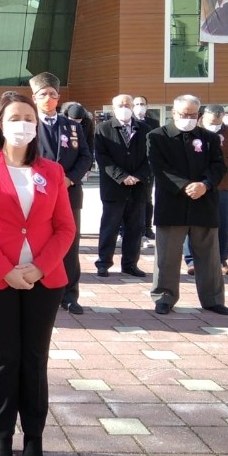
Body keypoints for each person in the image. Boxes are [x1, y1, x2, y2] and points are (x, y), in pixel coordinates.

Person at [0, 91, 76, 456]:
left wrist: (40, 267)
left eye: (29, 118)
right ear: (0, 123)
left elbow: (65, 228)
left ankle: (33, 439)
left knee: (34, 359)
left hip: (45, 281)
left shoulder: (53, 172)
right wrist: (6, 270)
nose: (23, 125)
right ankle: (1, 437)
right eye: (15, 118)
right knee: (4, 359)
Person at [147, 95, 228, 316]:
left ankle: (213, 299)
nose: (188, 118)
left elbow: (219, 166)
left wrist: (205, 184)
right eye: (184, 114)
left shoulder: (210, 139)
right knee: (167, 255)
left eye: (193, 115)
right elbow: (159, 168)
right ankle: (164, 296)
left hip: (204, 202)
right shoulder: (157, 137)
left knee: (209, 256)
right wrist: (184, 186)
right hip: (172, 203)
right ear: (173, 113)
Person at [30, 72, 90, 315]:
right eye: (43, 94)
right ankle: (39, 290)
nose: (48, 98)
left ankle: (69, 295)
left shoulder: (73, 127)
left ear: (59, 98)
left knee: (69, 245)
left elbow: (86, 156)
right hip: (37, 193)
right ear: (33, 98)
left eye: (52, 94)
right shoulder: (28, 124)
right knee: (38, 242)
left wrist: (69, 178)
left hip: (68, 192)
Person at [93, 94, 150, 285]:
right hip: (114, 188)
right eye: (120, 105)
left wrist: (138, 176)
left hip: (138, 188)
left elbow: (151, 157)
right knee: (110, 227)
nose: (124, 107)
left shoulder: (144, 129)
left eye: (128, 104)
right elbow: (102, 158)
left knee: (135, 229)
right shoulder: (103, 129)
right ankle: (103, 263)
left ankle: (130, 264)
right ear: (113, 107)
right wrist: (121, 176)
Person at [191, 105, 228, 276]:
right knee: (194, 223)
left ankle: (221, 259)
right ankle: (191, 260)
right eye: (212, 123)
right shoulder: (193, 132)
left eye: (218, 123)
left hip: (223, 185)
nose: (215, 126)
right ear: (203, 118)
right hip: (197, 185)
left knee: (223, 223)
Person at [133, 95, 159, 241]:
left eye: (142, 104)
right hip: (132, 165)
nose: (139, 106)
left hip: (147, 166)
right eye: (136, 104)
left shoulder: (153, 123)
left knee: (147, 198)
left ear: (147, 106)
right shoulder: (128, 122)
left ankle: (147, 227)